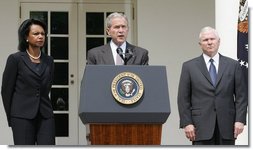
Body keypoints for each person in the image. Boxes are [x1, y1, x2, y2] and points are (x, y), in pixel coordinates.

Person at [177, 26, 248, 145]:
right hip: (199, 127)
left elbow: (241, 96)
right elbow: (183, 98)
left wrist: (240, 120)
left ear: (218, 41)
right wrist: (187, 123)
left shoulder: (233, 65)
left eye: (212, 39)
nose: (209, 42)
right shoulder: (189, 67)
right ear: (200, 44)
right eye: (205, 40)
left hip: (227, 125)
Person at [1, 19, 55, 145]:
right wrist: (12, 117)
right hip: (21, 116)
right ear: (26, 36)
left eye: (43, 34)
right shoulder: (15, 59)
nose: (40, 36)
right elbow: (6, 91)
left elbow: (47, 86)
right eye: (36, 34)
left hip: (45, 115)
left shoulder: (49, 60)